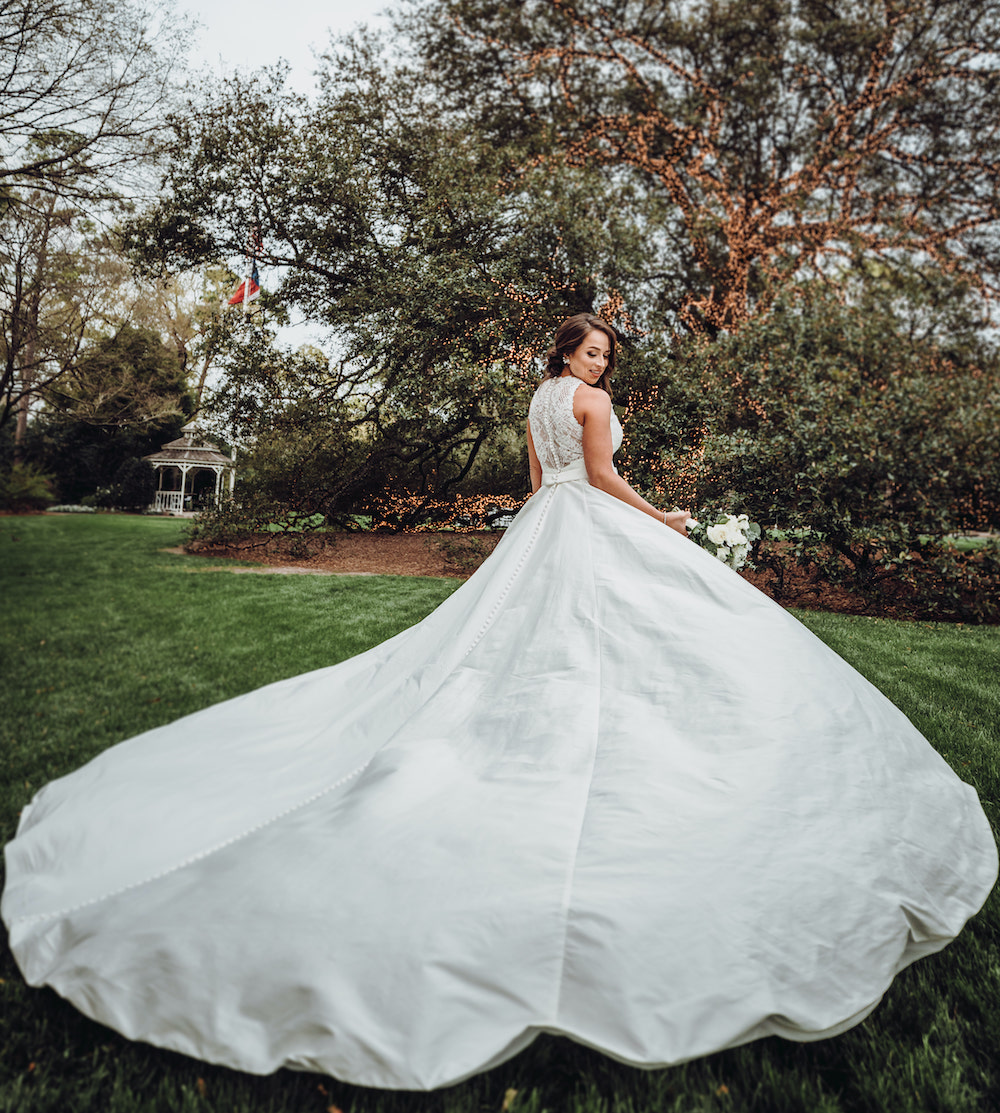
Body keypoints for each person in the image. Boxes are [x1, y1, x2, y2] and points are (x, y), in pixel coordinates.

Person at [3, 314, 996, 1092]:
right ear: (571, 351)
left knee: (524, 650)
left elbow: (537, 487)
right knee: (627, 652)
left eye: (605, 354)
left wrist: (550, 519)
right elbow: (601, 479)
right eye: (591, 350)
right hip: (593, 526)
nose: (599, 365)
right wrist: (672, 520)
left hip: (541, 531)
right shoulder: (592, 408)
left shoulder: (533, 398)